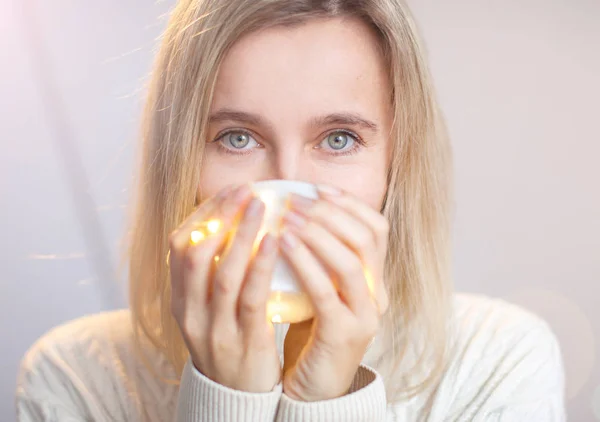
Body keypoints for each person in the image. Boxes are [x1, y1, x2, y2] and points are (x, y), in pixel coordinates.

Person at [16, 0, 566, 420]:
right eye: (237, 138)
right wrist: (227, 396)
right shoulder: (78, 375)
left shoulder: (499, 357)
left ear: (395, 165)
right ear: (180, 163)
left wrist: (328, 397)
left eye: (339, 139)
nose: (285, 187)